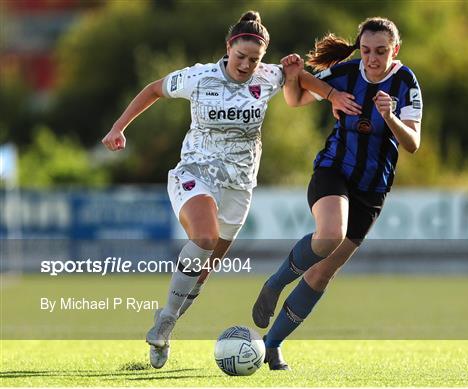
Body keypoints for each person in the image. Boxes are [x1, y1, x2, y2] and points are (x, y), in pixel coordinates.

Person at [102, 11, 359, 369]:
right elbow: (153, 90)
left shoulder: (268, 76)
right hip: (195, 174)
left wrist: (330, 95)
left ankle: (168, 321)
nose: (246, 65)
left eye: (254, 59)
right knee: (204, 238)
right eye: (241, 57)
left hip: (239, 187)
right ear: (228, 48)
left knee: (203, 272)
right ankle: (163, 324)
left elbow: (299, 81)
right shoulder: (199, 77)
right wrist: (118, 128)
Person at [252, 17, 423, 370]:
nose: (372, 59)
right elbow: (296, 98)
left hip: (372, 190)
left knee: (322, 273)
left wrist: (390, 118)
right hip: (333, 172)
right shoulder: (346, 73)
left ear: (396, 50)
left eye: (381, 52)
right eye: (365, 51)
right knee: (330, 234)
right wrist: (294, 74)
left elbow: (413, 144)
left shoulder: (406, 82)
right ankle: (275, 283)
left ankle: (271, 345)